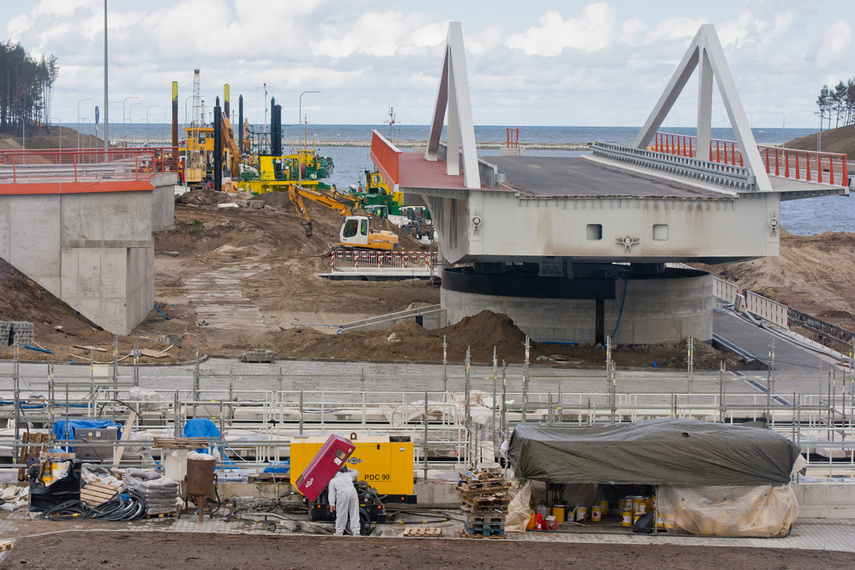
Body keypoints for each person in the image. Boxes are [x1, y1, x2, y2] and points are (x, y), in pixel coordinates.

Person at [328, 465, 360, 536]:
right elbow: (356, 472)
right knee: (354, 512)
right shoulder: (347, 475)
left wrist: (332, 504)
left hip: (342, 493)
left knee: (341, 513)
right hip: (352, 491)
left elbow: (331, 493)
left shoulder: (332, 481)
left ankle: (339, 532)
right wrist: (348, 469)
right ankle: (356, 531)